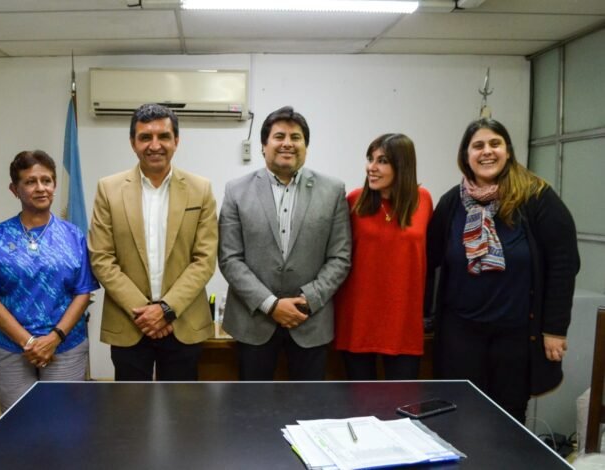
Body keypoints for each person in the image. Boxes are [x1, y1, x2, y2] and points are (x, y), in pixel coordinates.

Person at [427, 118, 580, 423]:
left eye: (495, 144)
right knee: (459, 415)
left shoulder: (536, 197)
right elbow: (429, 259)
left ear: (507, 151)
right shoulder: (451, 202)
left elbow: (564, 263)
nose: (487, 151)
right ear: (466, 155)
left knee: (507, 418)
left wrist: (554, 328)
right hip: (460, 333)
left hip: (516, 335)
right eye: (478, 145)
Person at [219, 106, 352, 381]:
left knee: (309, 404)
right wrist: (270, 304)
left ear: (306, 146)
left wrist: (307, 300)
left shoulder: (333, 191)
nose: (287, 143)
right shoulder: (236, 190)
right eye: (279, 136)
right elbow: (230, 258)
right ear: (263, 146)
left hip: (310, 320)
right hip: (253, 321)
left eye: (296, 137)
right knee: (252, 404)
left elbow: (340, 257)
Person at [88, 103, 218, 381]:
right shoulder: (109, 189)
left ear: (176, 141)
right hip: (129, 323)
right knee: (131, 406)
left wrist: (166, 310)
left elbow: (205, 260)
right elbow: (101, 258)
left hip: (183, 322)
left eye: (164, 136)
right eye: (145, 137)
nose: (155, 145)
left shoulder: (200, 189)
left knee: (182, 406)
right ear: (133, 143)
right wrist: (146, 313)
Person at [0, 150, 99, 411]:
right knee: (20, 422)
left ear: (54, 185)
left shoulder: (73, 235)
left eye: (46, 180)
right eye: (30, 182)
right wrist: (28, 342)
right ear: (14, 189)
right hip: (9, 347)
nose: (40, 188)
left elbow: (83, 292)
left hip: (65, 346)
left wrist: (54, 338)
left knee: (62, 421)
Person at [334, 134, 433, 380]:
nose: (372, 167)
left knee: (402, 401)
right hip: (358, 319)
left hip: (403, 321)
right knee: (359, 401)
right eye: (370, 159)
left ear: (403, 166)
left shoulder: (423, 200)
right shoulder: (354, 201)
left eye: (382, 161)